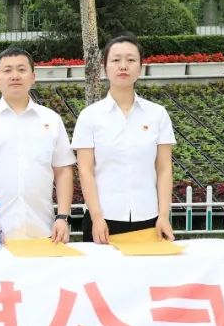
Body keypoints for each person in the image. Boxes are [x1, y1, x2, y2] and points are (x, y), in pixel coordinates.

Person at [72, 33, 176, 244]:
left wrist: (164, 215)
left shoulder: (157, 114)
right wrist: (97, 217)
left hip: (149, 217)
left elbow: (164, 169)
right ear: (105, 68)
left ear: (140, 68)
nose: (123, 66)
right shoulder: (90, 116)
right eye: (116, 60)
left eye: (130, 60)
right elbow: (85, 171)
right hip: (104, 220)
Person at [0, 47, 75, 243]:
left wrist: (62, 217)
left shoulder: (51, 119)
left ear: (33, 77)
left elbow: (63, 170)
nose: (15, 76)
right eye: (7, 70)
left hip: (44, 230)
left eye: (22, 70)